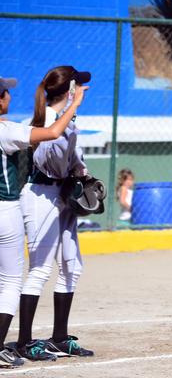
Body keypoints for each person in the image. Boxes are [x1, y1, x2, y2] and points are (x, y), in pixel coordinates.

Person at [0, 75, 87, 367]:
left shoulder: (61, 118)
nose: (84, 89)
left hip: (61, 195)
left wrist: (81, 174)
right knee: (39, 270)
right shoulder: (45, 119)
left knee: (72, 266)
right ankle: (24, 342)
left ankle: (59, 337)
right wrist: (73, 109)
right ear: (70, 90)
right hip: (40, 194)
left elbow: (71, 158)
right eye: (78, 84)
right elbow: (47, 157)